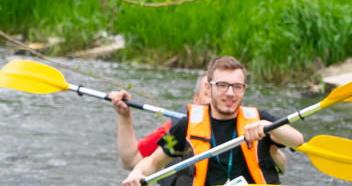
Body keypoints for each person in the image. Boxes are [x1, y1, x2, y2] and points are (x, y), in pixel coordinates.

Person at [121, 55, 302, 186]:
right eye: (223, 85)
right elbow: (153, 162)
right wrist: (137, 173)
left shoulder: (259, 118)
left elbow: (297, 140)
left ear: (244, 89)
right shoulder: (186, 124)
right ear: (209, 87)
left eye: (237, 86)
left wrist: (268, 126)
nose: (230, 93)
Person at [110, 75, 288, 174]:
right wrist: (124, 116)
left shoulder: (253, 122)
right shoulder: (181, 126)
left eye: (230, 89)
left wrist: (273, 153)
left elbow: (283, 164)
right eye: (210, 92)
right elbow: (131, 161)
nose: (223, 97)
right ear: (196, 100)